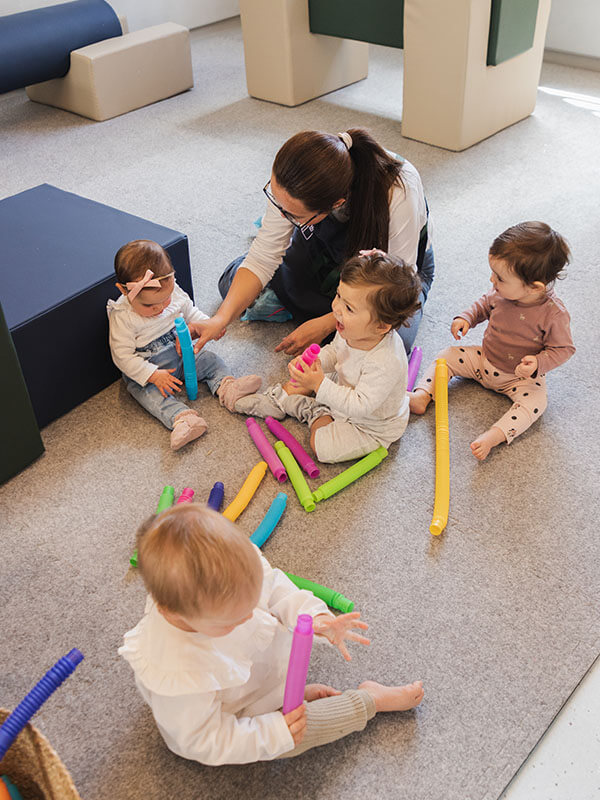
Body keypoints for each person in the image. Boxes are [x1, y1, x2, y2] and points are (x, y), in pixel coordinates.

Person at [119, 503, 424, 765]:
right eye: (234, 620)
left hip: (257, 677)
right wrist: (276, 731)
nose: (253, 616)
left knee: (272, 621)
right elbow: (205, 740)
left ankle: (279, 696)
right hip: (237, 717)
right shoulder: (179, 673)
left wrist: (316, 617)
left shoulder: (228, 576)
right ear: (173, 613)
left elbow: (278, 588)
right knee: (299, 734)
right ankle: (369, 700)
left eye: (251, 604)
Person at [188, 128, 433, 357]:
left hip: (390, 274)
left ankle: (307, 308)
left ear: (337, 203)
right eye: (278, 203)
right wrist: (220, 319)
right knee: (231, 286)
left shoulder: (399, 190)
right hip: (327, 250)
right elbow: (263, 257)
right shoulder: (294, 173)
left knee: (390, 343)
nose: (282, 215)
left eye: (293, 214)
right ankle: (316, 307)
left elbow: (397, 284)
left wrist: (326, 324)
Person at [234, 251, 421, 463]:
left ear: (381, 326)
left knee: (322, 447)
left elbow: (361, 406)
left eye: (349, 308)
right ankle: (277, 399)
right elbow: (334, 351)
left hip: (369, 424)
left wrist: (319, 386)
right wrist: (316, 363)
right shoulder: (352, 330)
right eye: (339, 295)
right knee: (311, 376)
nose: (337, 309)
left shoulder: (385, 361)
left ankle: (315, 412)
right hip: (346, 385)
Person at [409, 222, 575, 460]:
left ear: (534, 287)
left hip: (520, 378)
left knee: (537, 403)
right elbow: (483, 305)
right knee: (447, 356)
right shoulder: (500, 293)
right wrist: (466, 318)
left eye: (499, 277)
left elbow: (563, 349)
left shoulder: (554, 314)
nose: (492, 280)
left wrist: (539, 363)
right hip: (483, 361)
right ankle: (422, 396)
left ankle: (494, 436)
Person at [107, 240, 261, 450]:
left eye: (165, 299)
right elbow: (122, 357)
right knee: (146, 393)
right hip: (152, 369)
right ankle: (182, 418)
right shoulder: (123, 317)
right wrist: (152, 375)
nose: (161, 308)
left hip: (183, 353)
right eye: (150, 305)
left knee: (210, 360)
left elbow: (190, 312)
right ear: (124, 291)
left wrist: (208, 324)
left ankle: (227, 387)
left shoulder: (174, 291)